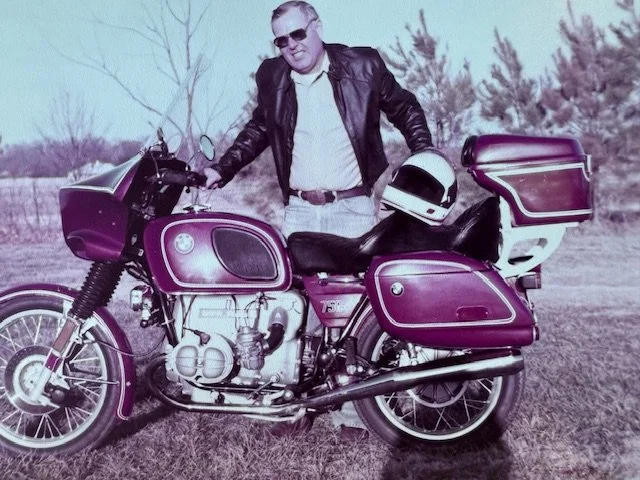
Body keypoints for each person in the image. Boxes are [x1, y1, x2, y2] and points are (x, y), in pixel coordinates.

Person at [203, 0, 433, 438]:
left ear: (317, 27)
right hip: (300, 210)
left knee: (356, 311)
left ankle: (354, 413)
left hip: (353, 205)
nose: (291, 45)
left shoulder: (362, 65)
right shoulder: (272, 77)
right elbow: (259, 129)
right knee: (295, 306)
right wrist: (222, 168)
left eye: (298, 34)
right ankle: (293, 404)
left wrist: (425, 152)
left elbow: (404, 107)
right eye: (281, 40)